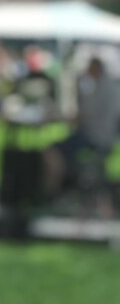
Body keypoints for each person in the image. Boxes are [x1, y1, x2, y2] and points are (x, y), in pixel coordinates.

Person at [44, 58, 119, 202]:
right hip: (103, 137)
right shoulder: (109, 86)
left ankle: (54, 190)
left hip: (96, 137)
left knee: (53, 150)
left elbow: (84, 117)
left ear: (95, 68)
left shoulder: (102, 89)